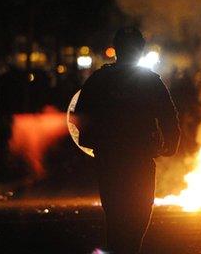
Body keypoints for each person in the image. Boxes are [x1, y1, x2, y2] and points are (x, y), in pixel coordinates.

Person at [75, 27, 180, 253]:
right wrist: (170, 145)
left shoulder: (99, 80)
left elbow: (80, 116)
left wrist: (93, 141)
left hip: (110, 158)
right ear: (140, 51)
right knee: (139, 213)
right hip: (138, 157)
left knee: (115, 214)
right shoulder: (150, 81)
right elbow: (168, 116)